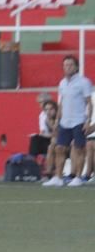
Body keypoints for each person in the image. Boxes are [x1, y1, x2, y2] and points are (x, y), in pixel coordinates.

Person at [43, 55, 93, 187]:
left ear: (76, 67)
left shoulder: (84, 82)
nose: (68, 67)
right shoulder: (62, 83)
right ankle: (58, 177)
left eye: (70, 65)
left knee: (79, 149)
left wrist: (87, 121)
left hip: (78, 120)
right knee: (59, 148)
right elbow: (61, 103)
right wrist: (57, 122)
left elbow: (89, 103)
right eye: (65, 65)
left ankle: (77, 177)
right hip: (65, 121)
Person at [29, 99, 58, 177]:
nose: (48, 112)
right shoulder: (45, 118)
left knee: (53, 142)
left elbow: (59, 134)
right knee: (35, 138)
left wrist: (51, 126)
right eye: (46, 110)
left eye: (51, 109)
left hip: (62, 141)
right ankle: (32, 162)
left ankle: (49, 170)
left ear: (56, 109)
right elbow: (44, 132)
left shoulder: (59, 118)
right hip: (50, 139)